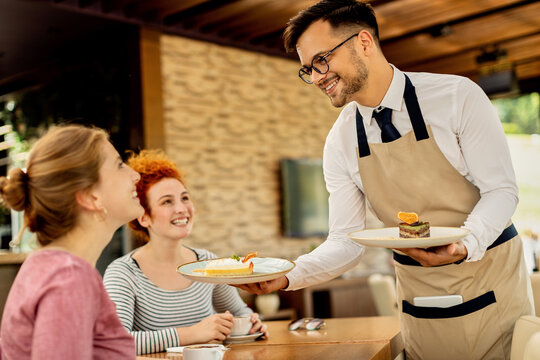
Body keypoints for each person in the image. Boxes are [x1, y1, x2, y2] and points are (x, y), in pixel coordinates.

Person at [236, 1, 533, 359]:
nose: (316, 77)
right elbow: (345, 242)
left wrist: (465, 244)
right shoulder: (341, 140)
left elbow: (501, 192)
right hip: (418, 295)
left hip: (491, 280)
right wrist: (287, 276)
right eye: (307, 70)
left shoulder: (457, 97)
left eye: (321, 61)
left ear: (364, 42)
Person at [103, 149, 267, 355]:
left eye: (185, 198)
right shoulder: (124, 273)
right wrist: (193, 333)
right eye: (167, 201)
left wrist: (253, 324)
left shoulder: (208, 263)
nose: (181, 208)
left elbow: (240, 313)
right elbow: (117, 341)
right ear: (143, 217)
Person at [0, 125, 143, 359]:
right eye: (119, 164)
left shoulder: (46, 267)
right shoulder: (69, 277)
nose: (135, 174)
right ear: (89, 196)